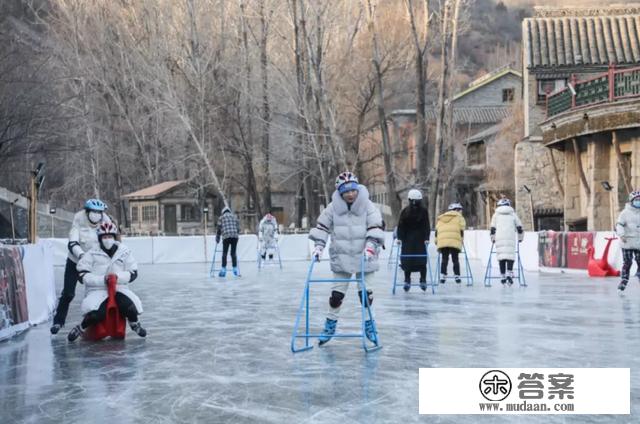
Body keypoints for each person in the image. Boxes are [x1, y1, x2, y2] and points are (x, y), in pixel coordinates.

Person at [309, 171, 385, 346]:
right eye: (346, 191)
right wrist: (319, 247)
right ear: (340, 192)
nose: (350, 194)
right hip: (341, 258)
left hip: (365, 258)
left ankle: (370, 327)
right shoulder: (332, 208)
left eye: (353, 190)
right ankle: (329, 327)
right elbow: (322, 227)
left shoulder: (368, 206)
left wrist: (371, 247)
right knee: (336, 296)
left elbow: (375, 227)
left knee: (366, 296)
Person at [67, 222, 146, 341]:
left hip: (119, 288)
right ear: (100, 239)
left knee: (129, 307)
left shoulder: (124, 252)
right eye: (104, 237)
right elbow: (82, 274)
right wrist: (102, 280)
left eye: (110, 237)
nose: (107, 240)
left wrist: (118, 277)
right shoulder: (92, 253)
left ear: (114, 237)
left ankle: (134, 323)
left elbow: (133, 272)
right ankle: (81, 328)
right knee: (96, 314)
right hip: (98, 290)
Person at [50, 199, 112, 335]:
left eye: (99, 212)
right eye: (93, 212)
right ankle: (58, 321)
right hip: (76, 261)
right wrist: (82, 255)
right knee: (68, 293)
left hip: (94, 264)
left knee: (97, 293)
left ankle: (94, 322)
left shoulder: (105, 220)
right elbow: (72, 242)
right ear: (87, 211)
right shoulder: (78, 219)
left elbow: (110, 240)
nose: (97, 215)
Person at [397, 189, 431, 291]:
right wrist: (400, 238)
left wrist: (426, 238)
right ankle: (408, 280)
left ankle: (422, 279)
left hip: (419, 240)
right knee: (408, 261)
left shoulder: (423, 211)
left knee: (421, 260)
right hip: (409, 240)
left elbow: (426, 226)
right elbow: (401, 226)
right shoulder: (405, 211)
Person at [490, 198, 524, 285]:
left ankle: (502, 275)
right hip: (510, 237)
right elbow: (519, 227)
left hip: (499, 237)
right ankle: (509, 272)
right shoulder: (513, 214)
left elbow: (493, 228)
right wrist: (520, 238)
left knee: (501, 256)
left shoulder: (496, 215)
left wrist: (493, 238)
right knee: (510, 256)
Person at [435, 203, 466, 284]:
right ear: (456, 210)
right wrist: (461, 239)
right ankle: (457, 276)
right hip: (454, 240)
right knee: (455, 259)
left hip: (443, 241)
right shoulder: (459, 217)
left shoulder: (442, 217)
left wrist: (436, 241)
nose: (461, 212)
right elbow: (462, 228)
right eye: (460, 210)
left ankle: (443, 275)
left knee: (444, 259)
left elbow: (437, 230)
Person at [616, 190, 640, 292]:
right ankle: (624, 280)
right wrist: (621, 235)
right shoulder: (625, 213)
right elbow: (619, 225)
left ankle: (639, 275)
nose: (638, 202)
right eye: (637, 200)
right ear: (631, 201)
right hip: (627, 242)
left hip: (639, 242)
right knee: (627, 262)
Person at [216, 206, 241, 277]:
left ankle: (223, 270)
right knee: (233, 253)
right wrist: (235, 233)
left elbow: (219, 228)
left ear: (223, 212)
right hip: (235, 237)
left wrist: (217, 238)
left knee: (224, 253)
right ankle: (235, 269)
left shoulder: (221, 218)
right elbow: (238, 228)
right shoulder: (234, 217)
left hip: (226, 236)